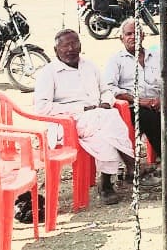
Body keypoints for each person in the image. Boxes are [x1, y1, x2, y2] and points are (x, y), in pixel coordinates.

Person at [34, 28, 136, 205]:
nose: (71, 49)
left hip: (97, 118)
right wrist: (81, 108)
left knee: (105, 132)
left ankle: (106, 184)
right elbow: (42, 107)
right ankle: (130, 166)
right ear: (55, 50)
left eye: (75, 44)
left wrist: (106, 102)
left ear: (80, 45)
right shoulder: (48, 73)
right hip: (67, 123)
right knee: (109, 118)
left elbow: (106, 91)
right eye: (65, 46)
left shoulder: (89, 66)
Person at [102, 18, 167, 176]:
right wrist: (140, 101)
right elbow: (109, 89)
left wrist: (162, 100)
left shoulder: (156, 56)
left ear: (144, 35)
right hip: (133, 107)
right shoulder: (116, 61)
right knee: (148, 117)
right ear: (122, 38)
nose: (134, 37)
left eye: (137, 33)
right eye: (129, 34)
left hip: (159, 103)